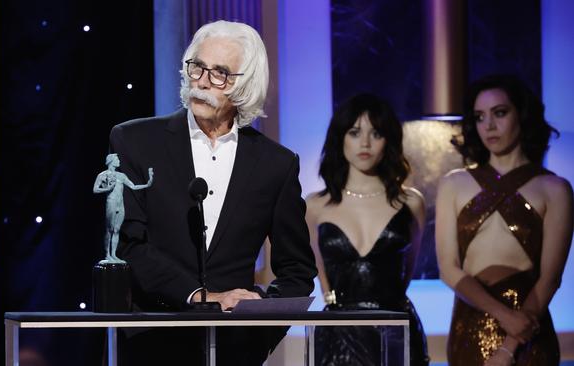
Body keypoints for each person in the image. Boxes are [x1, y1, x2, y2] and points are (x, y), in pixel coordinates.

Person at [108, 20, 317, 365]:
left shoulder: (275, 164)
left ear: (245, 86)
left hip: (233, 350)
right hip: (151, 341)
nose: (203, 81)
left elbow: (296, 269)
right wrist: (199, 296)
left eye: (220, 73)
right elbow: (126, 244)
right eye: (198, 67)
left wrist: (258, 327)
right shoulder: (134, 141)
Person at [436, 74, 573, 366]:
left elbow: (551, 278)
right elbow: (448, 269)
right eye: (480, 116)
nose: (489, 125)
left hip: (528, 329)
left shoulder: (555, 189)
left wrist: (510, 346)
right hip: (470, 327)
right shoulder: (453, 184)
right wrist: (504, 316)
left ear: (521, 116)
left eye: (500, 113)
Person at [306, 93, 430, 366]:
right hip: (337, 333)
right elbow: (321, 277)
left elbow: (407, 272)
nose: (365, 143)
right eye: (354, 132)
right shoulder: (315, 206)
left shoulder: (411, 202)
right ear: (340, 138)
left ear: (389, 140)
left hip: (396, 328)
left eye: (376, 133)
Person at [93, 153, 153, 263]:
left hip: (120, 205)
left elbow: (133, 186)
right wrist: (107, 189)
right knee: (109, 230)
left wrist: (147, 184)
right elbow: (95, 189)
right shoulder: (103, 175)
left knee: (116, 230)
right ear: (111, 161)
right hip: (111, 203)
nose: (119, 161)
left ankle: (114, 254)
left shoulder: (122, 176)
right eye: (117, 159)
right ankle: (107, 255)